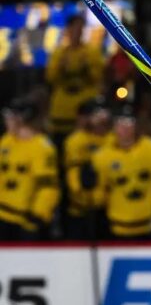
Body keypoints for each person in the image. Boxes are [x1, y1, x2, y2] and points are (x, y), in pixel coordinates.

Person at [87, 107, 151, 238]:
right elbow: (98, 195)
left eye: (129, 123)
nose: (125, 128)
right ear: (114, 127)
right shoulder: (102, 156)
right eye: (120, 123)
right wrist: (89, 188)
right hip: (117, 228)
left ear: (136, 125)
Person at [0, 98, 59, 240]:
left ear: (21, 119)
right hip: (2, 215)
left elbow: (49, 187)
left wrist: (38, 215)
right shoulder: (7, 140)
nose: (6, 121)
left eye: (10, 118)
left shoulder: (41, 147)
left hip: (24, 221)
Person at [45, 14, 106, 142]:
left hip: (86, 104)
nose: (77, 32)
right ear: (68, 29)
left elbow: (99, 77)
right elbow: (50, 78)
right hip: (62, 107)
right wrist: (61, 68)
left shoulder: (92, 52)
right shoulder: (58, 53)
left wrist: (86, 68)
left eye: (80, 28)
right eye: (74, 28)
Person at [62, 97, 112, 239]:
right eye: (95, 115)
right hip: (80, 208)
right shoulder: (76, 140)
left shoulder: (112, 138)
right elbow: (73, 173)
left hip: (108, 208)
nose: (100, 119)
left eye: (102, 114)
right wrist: (81, 193)